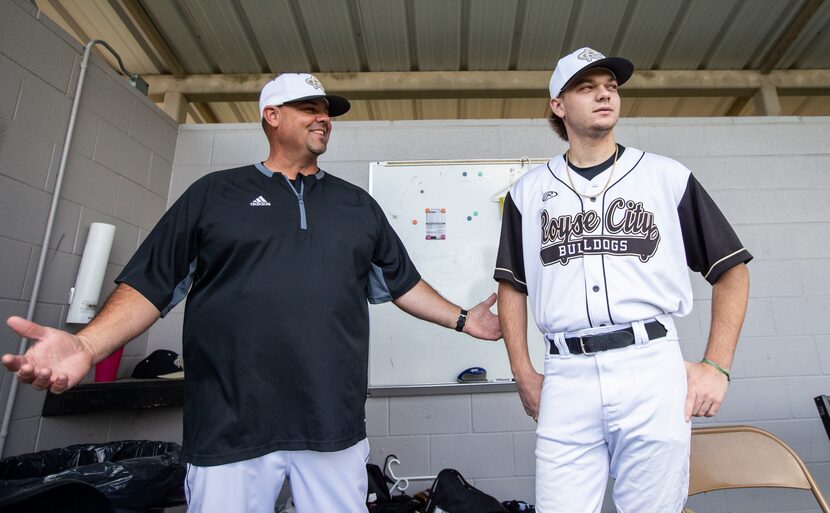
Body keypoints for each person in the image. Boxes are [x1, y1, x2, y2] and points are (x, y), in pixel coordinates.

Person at [4, 73, 501, 513]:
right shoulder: (213, 194)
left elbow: (403, 284)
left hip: (332, 424)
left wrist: (465, 320)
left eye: (328, 112)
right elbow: (149, 284)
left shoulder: (357, 205)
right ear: (272, 115)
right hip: (229, 428)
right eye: (311, 108)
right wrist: (86, 346)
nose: (324, 119)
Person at [494, 48, 751, 513]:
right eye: (587, 87)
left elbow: (731, 269)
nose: (604, 94)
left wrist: (717, 365)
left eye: (610, 86)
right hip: (566, 374)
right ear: (558, 105)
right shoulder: (528, 192)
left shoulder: (666, 176)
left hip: (649, 364)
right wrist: (523, 372)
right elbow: (513, 285)